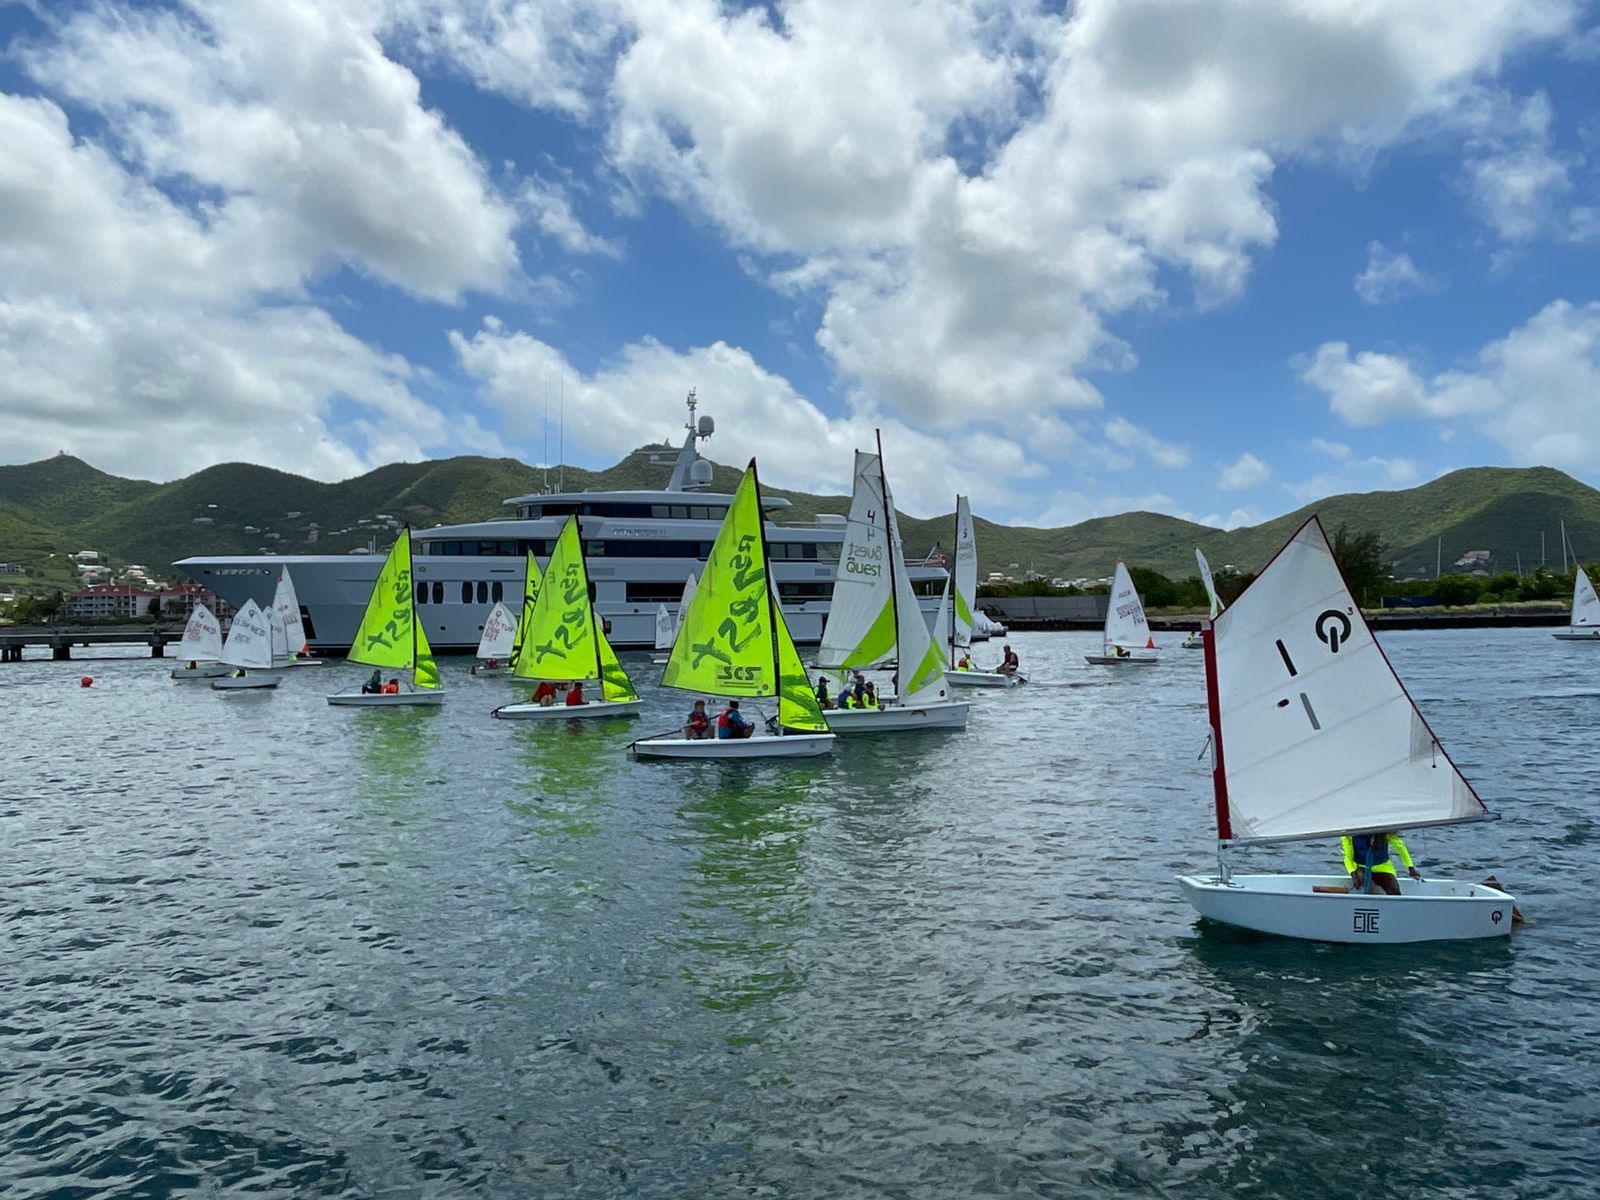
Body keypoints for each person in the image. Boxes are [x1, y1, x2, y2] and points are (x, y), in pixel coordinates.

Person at [1342, 831, 1421, 896]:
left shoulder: (1384, 831)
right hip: (1362, 867)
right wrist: (1353, 873)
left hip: (1383, 867)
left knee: (1394, 890)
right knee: (1372, 890)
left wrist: (1410, 867)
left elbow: (1400, 847)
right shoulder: (1350, 835)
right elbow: (1348, 858)